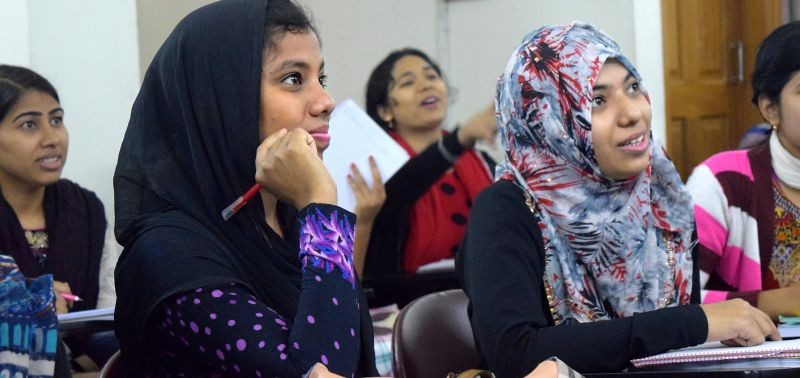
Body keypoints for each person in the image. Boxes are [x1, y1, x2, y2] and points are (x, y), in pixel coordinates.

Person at [457, 22, 780, 376]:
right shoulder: (506, 209)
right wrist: (693, 323)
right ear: (548, 117)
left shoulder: (662, 198)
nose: (633, 113)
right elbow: (516, 354)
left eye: (633, 87)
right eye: (597, 100)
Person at [112, 0, 377, 376]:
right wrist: (320, 207)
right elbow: (319, 370)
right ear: (221, 101)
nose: (325, 101)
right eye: (293, 79)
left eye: (322, 78)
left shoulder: (285, 220)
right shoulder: (170, 258)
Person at [0, 64, 120, 371]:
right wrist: (27, 299)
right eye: (29, 125)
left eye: (56, 120)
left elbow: (109, 312)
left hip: (87, 362)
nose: (52, 138)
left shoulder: (84, 208)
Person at [687, 21, 800, 319]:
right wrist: (776, 303)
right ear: (770, 109)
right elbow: (677, 303)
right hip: (754, 363)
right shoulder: (721, 183)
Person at [354, 48, 497, 277]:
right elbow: (405, 185)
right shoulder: (377, 169)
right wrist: (460, 139)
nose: (426, 86)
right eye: (407, 83)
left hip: (480, 300)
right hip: (403, 307)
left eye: (431, 76)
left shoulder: (481, 162)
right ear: (385, 111)